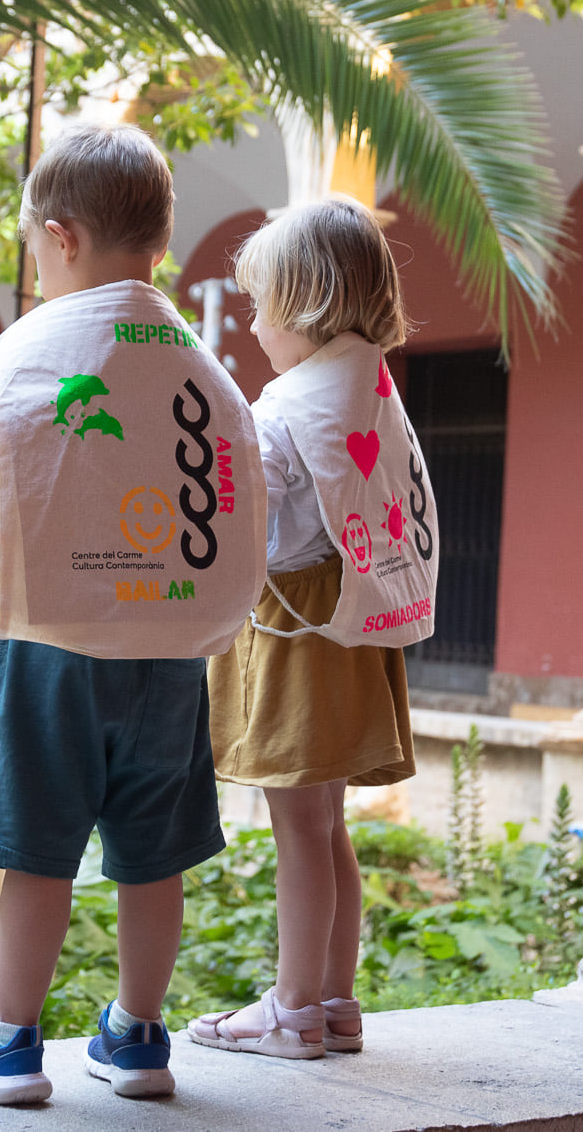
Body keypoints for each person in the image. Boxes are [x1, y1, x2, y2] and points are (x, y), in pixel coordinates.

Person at [0, 123, 264, 1105]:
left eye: (33, 249)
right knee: (153, 857)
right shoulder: (199, 355)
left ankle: (9, 1043)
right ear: (157, 235)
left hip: (52, 641)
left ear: (59, 237)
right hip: (168, 650)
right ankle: (136, 1037)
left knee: (36, 850)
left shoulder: (31, 343)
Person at [190, 196, 434, 1061]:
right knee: (329, 826)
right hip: (357, 622)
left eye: (260, 304)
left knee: (297, 824)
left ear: (305, 302)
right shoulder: (373, 389)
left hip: (297, 632)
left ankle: (292, 1008)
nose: (252, 326)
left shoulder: (282, 409)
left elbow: (241, 533)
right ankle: (336, 999)